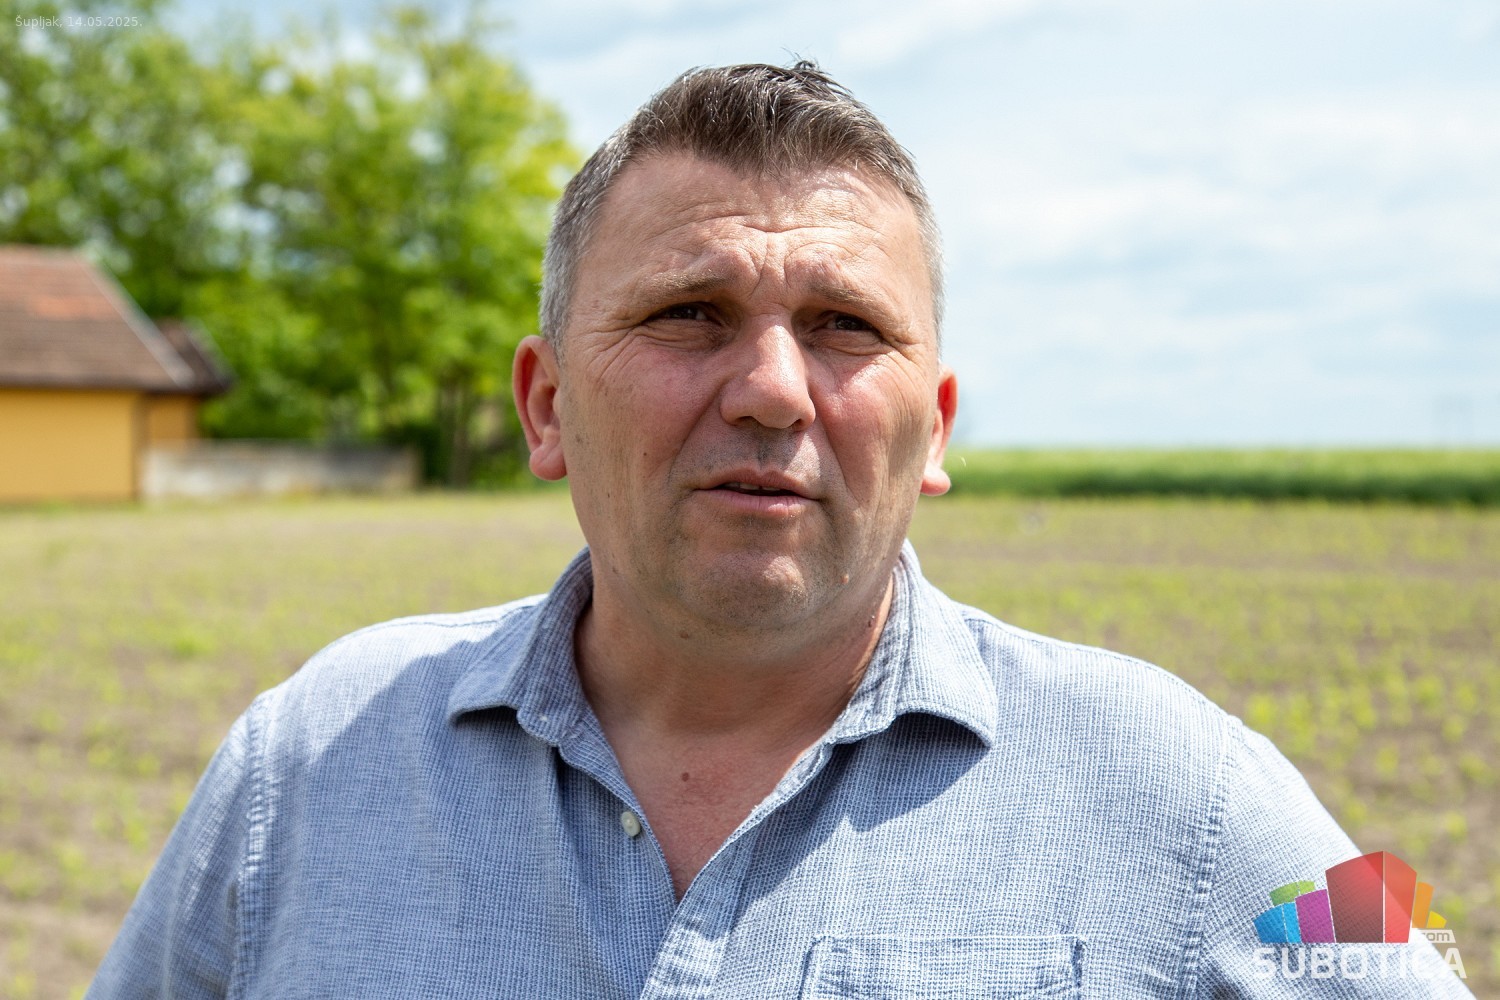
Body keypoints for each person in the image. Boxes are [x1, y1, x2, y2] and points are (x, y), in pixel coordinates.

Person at [90, 62, 1471, 999]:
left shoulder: (1188, 785)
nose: (769, 389)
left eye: (844, 326)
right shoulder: (305, 766)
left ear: (934, 428)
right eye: (688, 313)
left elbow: (1414, 949)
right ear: (547, 404)